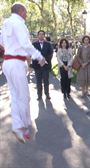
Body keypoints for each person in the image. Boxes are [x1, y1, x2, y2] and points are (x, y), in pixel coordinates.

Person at [0, 2, 46, 143]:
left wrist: (9, 51)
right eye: (25, 12)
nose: (26, 14)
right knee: (24, 97)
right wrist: (39, 56)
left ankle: (18, 126)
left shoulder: (5, 24)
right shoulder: (19, 23)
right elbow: (26, 44)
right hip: (16, 63)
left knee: (15, 96)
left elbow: (1, 44)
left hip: (7, 63)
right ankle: (24, 126)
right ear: (20, 11)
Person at [32, 30, 53, 100]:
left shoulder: (48, 44)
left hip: (46, 66)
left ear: (44, 36)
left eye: (42, 34)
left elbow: (51, 54)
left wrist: (43, 60)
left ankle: (47, 95)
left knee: (46, 81)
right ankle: (39, 95)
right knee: (38, 82)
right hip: (37, 66)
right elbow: (32, 54)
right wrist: (39, 60)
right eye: (39, 34)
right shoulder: (34, 44)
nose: (41, 36)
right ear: (37, 36)